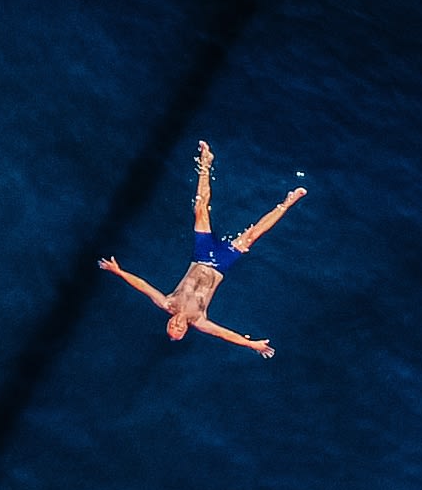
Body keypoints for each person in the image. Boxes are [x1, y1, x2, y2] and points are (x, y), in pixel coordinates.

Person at [99, 140, 304, 356]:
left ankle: (205, 163)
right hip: (221, 265)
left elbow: (143, 286)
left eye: (172, 326)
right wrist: (252, 345)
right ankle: (288, 202)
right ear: (186, 330)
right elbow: (226, 334)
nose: (176, 325)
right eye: (179, 329)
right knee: (252, 235)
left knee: (200, 210)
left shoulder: (168, 303)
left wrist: (118, 271)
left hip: (201, 255)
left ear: (169, 322)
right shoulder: (200, 321)